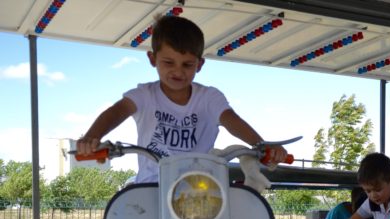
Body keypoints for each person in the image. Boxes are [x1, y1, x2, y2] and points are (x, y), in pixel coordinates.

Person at [75, 15, 286, 182]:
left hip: (199, 187)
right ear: (152, 59)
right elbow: (117, 111)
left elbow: (231, 120)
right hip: (151, 185)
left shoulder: (209, 98)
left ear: (200, 65)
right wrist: (92, 137)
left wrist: (261, 145)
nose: (178, 71)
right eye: (168, 62)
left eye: (187, 64)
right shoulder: (145, 95)